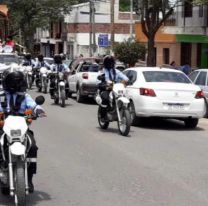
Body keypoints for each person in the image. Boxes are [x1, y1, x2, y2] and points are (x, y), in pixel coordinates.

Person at [0, 70, 45, 193]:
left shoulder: (25, 96)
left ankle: (29, 178)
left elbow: (33, 105)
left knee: (33, 147)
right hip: (3, 126)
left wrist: (38, 111)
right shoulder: (1, 95)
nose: (17, 85)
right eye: (15, 82)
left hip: (21, 127)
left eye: (19, 82)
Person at [97, 55, 129, 121]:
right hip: (106, 89)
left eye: (111, 62)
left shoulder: (116, 71)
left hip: (116, 88)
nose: (110, 63)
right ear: (105, 63)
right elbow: (98, 81)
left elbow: (126, 78)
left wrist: (123, 82)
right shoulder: (102, 71)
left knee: (125, 96)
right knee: (105, 99)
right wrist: (103, 82)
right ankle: (103, 116)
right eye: (108, 62)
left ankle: (123, 112)